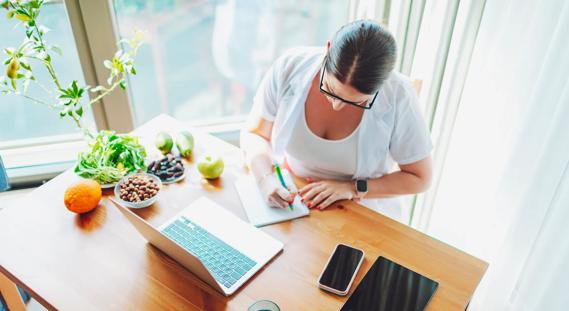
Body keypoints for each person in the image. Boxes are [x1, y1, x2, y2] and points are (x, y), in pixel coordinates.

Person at [240, 20, 432, 221]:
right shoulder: (290, 66)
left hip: (358, 210)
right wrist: (265, 179)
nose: (336, 105)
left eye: (356, 102)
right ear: (328, 49)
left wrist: (352, 188)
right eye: (330, 89)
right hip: (294, 194)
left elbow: (420, 178)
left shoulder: (399, 95)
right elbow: (256, 134)